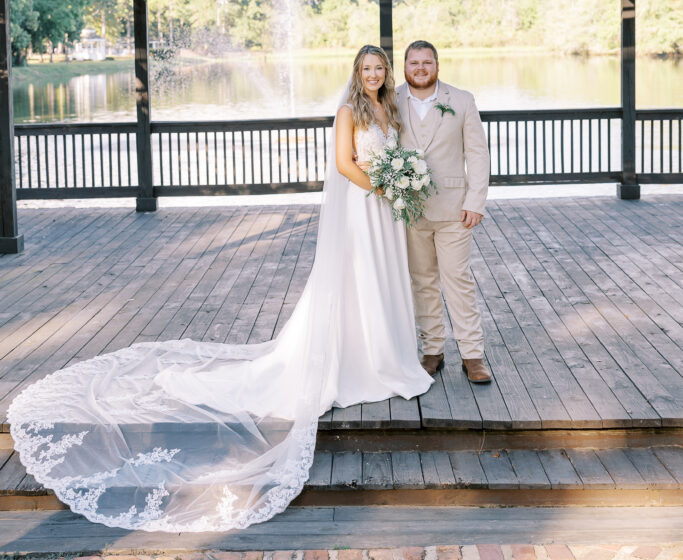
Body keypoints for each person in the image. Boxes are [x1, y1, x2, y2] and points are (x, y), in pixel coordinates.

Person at [8, 45, 431, 534]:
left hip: (386, 210)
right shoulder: (347, 111)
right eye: (367, 69)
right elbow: (342, 164)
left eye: (379, 68)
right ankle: (362, 360)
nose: (374, 74)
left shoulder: (389, 107)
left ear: (387, 73)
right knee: (358, 280)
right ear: (357, 73)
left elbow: (394, 154)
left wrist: (398, 182)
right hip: (364, 206)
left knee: (382, 279)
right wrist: (383, 186)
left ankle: (385, 354)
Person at [396, 40, 492, 383]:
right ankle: (432, 350)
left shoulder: (462, 100)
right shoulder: (390, 100)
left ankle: (472, 355)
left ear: (437, 65)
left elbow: (477, 154)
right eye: (414, 62)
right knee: (422, 282)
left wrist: (475, 201)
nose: (420, 68)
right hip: (409, 210)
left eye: (427, 62)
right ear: (405, 66)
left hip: (454, 209)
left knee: (458, 281)